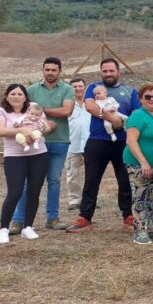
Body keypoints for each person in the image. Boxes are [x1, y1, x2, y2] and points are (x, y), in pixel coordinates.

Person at [69, 59, 139, 233]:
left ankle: (128, 215)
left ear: (118, 71)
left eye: (111, 71)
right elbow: (91, 107)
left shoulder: (130, 92)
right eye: (105, 71)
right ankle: (85, 217)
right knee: (91, 180)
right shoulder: (93, 87)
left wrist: (122, 124)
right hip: (97, 141)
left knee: (124, 181)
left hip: (123, 142)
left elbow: (136, 115)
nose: (108, 74)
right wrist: (112, 119)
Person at [7, 57, 75, 233]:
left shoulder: (68, 89)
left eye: (54, 70)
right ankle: (18, 220)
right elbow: (21, 111)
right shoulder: (31, 89)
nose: (50, 73)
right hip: (33, 143)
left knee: (54, 180)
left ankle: (52, 218)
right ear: (42, 70)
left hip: (59, 141)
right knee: (27, 181)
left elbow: (66, 111)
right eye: (47, 69)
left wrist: (39, 110)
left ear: (60, 71)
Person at [0, 84, 49, 244]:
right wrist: (22, 131)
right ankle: (3, 229)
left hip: (38, 154)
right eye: (13, 93)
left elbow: (45, 126)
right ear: (7, 96)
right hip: (14, 156)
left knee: (34, 191)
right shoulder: (1, 111)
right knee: (15, 191)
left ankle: (28, 227)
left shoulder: (33, 108)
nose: (16, 96)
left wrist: (37, 131)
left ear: (25, 97)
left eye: (20, 94)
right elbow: (0, 131)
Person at [124, 84, 153, 245]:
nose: (152, 100)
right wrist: (143, 162)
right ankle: (140, 230)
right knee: (140, 196)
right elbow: (131, 140)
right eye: (148, 97)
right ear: (140, 99)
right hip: (138, 164)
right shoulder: (137, 116)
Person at [65, 77, 90, 211]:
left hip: (90, 143)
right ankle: (74, 200)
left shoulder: (91, 103)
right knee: (72, 173)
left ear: (85, 88)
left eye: (80, 86)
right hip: (72, 143)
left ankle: (89, 199)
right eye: (74, 86)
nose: (78, 89)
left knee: (91, 174)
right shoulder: (67, 104)